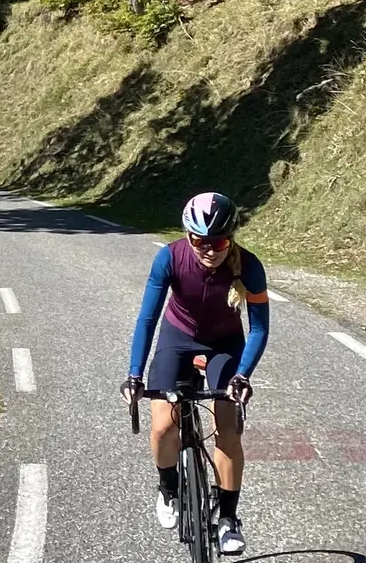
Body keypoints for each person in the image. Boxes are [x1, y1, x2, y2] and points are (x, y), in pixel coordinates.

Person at [121, 191, 269, 556]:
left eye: (219, 241)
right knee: (163, 425)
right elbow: (148, 318)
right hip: (177, 339)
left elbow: (259, 329)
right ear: (188, 236)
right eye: (201, 241)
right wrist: (135, 374)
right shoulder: (169, 258)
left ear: (230, 237)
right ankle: (168, 488)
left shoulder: (248, 266)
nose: (210, 250)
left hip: (224, 345)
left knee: (228, 427)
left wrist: (243, 376)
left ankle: (229, 519)